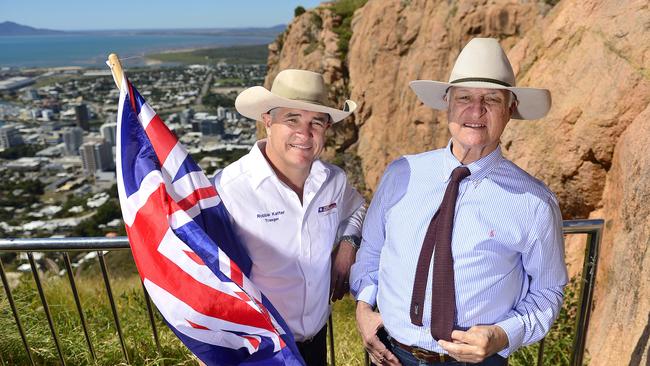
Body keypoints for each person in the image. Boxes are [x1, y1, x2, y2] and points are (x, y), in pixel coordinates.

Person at [351, 38, 568, 366]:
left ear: (510, 110)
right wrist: (365, 309)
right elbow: (372, 251)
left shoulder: (534, 202)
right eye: (465, 97)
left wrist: (503, 334)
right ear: (448, 103)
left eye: (491, 99)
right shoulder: (401, 174)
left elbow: (548, 292)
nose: (476, 110)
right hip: (390, 355)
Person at [213, 69, 366, 366]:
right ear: (267, 121)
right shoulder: (230, 189)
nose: (304, 133)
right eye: (292, 119)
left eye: (316, 122)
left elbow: (357, 209)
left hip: (316, 339)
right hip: (260, 349)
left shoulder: (333, 180)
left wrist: (347, 246)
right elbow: (205, 271)